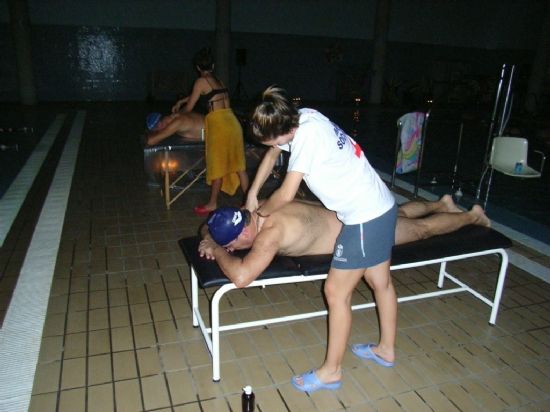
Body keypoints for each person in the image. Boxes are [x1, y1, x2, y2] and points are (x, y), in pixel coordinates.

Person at [244, 85, 396, 392]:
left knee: (335, 292)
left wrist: (259, 213)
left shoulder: (308, 139)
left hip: (365, 219)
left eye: (267, 139)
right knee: (381, 283)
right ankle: (386, 349)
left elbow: (286, 194)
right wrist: (251, 192)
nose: (269, 146)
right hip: (381, 207)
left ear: (282, 129)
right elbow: (274, 152)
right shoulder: (303, 118)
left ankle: (331, 371)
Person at [198, 195, 491, 289]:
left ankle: (472, 217)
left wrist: (215, 251)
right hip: (353, 213)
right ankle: (442, 203)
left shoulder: (270, 235)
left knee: (421, 231)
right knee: (398, 212)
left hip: (361, 231)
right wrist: (210, 237)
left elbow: (241, 276)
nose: (231, 251)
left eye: (232, 247)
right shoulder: (259, 207)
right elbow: (207, 227)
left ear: (245, 233)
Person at [171, 48, 248, 215]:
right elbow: (201, 95)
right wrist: (182, 100)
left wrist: (176, 116)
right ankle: (250, 202)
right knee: (239, 166)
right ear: (212, 65)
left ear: (198, 68)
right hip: (233, 123)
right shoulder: (218, 80)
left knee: (217, 166)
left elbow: (190, 107)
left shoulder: (200, 81)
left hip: (219, 125)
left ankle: (212, 203)